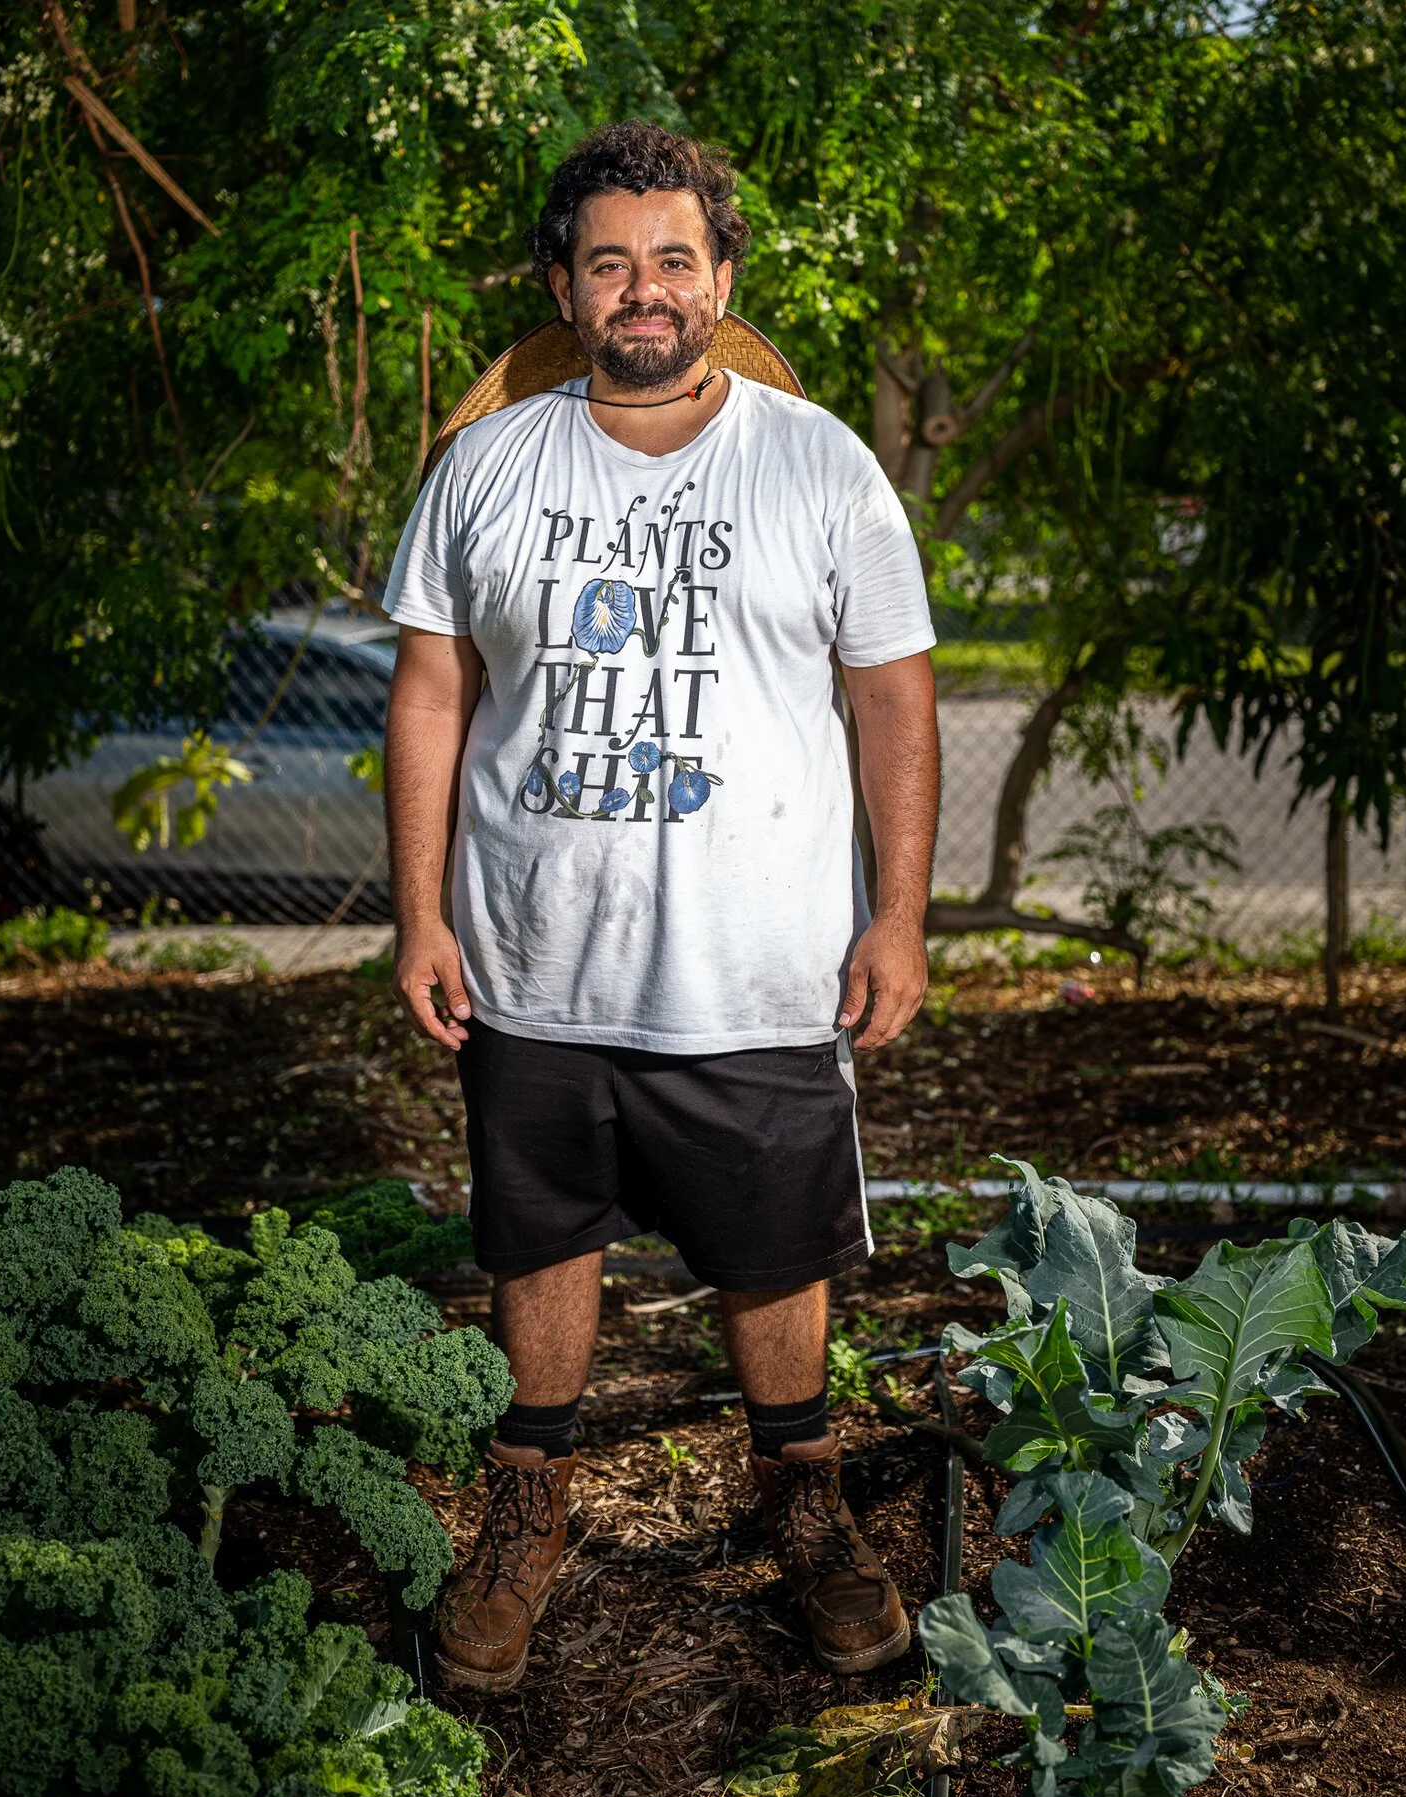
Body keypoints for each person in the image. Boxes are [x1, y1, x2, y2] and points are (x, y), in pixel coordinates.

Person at [382, 121, 940, 1692]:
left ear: (722, 279)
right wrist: (418, 913)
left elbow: (894, 698)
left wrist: (899, 917)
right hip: (532, 960)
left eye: (675, 259)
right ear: (562, 284)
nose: (645, 289)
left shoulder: (820, 461)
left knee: (773, 1251)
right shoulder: (486, 465)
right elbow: (430, 694)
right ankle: (528, 1496)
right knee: (538, 1240)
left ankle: (805, 1494)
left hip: (756, 973)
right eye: (610, 260)